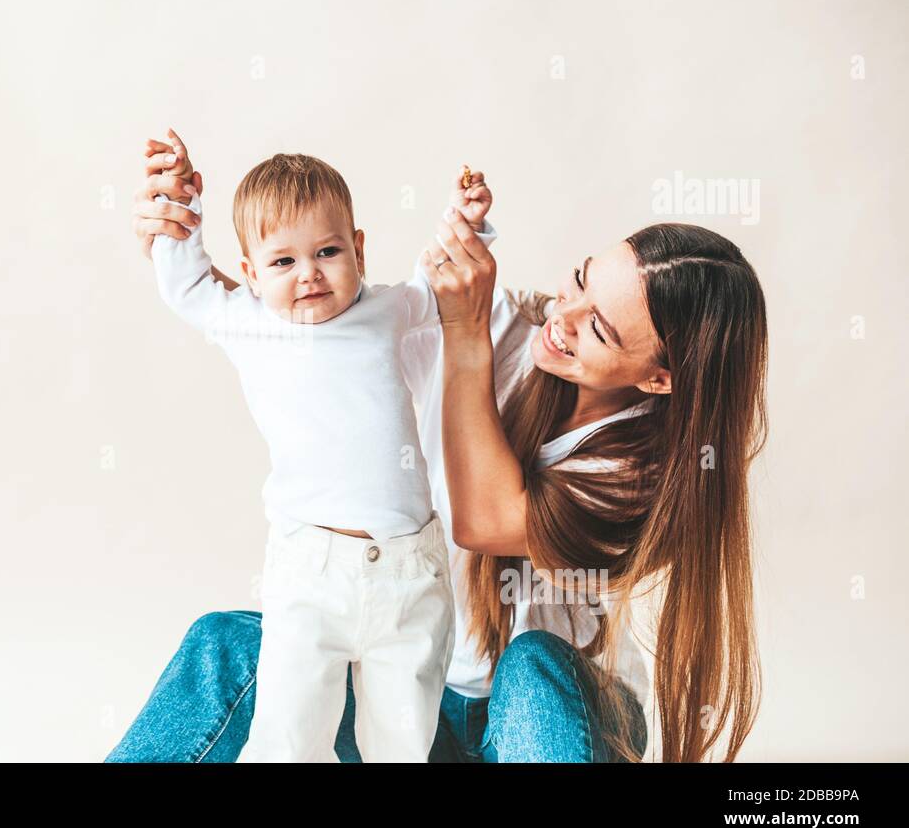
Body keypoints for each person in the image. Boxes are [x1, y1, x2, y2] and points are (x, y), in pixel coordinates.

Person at [109, 131, 768, 763]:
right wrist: (196, 258)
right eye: (579, 279)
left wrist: (466, 335)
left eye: (595, 326)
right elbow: (324, 339)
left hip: (552, 717)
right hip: (420, 702)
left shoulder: (648, 469)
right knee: (224, 645)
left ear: (659, 378)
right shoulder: (510, 321)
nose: (560, 319)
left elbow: (487, 521)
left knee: (533, 663)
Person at [146, 128, 494, 761]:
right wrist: (182, 208)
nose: (308, 275)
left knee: (402, 742)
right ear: (250, 273)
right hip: (310, 573)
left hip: (408, 573)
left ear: (358, 249)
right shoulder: (247, 321)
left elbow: (435, 285)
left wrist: (464, 222)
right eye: (283, 262)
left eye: (327, 251)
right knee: (288, 736)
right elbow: (186, 286)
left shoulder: (385, 308)